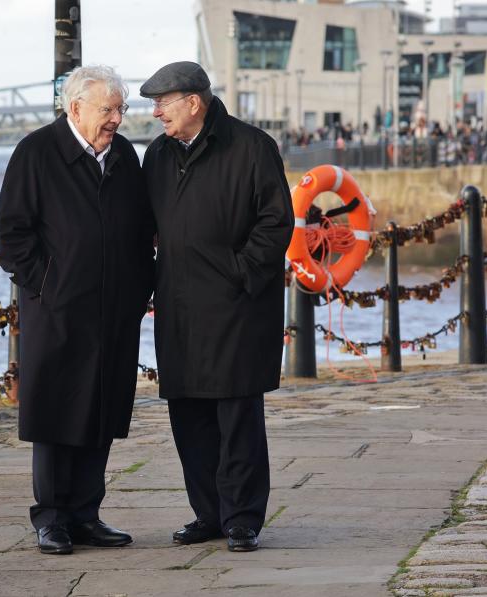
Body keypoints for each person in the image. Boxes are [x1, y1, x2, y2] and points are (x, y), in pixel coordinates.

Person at [0, 65, 154, 555]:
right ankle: (52, 518)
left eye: (121, 109)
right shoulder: (37, 153)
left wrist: (140, 285)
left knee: (100, 412)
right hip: (58, 310)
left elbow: (143, 227)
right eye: (108, 109)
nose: (117, 119)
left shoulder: (124, 155)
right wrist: (48, 284)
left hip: (114, 310)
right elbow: (12, 234)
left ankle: (86, 514)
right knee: (56, 414)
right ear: (76, 108)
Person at [139, 61, 292, 552]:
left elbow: (275, 222)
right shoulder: (157, 155)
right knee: (188, 416)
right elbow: (145, 226)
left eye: (164, 102)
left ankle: (243, 518)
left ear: (193, 102)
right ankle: (208, 513)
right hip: (179, 307)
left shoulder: (252, 147)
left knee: (236, 413)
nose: (157, 112)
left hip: (237, 308)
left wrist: (241, 272)